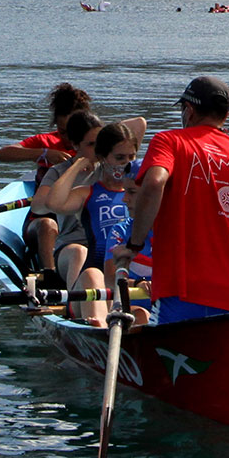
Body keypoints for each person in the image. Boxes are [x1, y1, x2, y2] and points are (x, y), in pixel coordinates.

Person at [108, 76, 229, 324]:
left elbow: (153, 183)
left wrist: (134, 245)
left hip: (181, 291)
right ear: (225, 115)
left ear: (189, 111)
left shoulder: (170, 142)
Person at [46, 118, 152, 326]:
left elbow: (140, 123)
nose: (126, 163)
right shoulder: (89, 193)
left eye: (131, 157)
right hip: (93, 285)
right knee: (94, 274)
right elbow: (54, 203)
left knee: (140, 313)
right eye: (119, 158)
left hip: (130, 285)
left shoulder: (143, 194)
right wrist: (79, 164)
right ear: (103, 158)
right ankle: (101, 330)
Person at [0, 83, 95, 277]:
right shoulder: (46, 142)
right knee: (48, 225)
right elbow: (1, 154)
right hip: (43, 219)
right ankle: (50, 274)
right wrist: (43, 153)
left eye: (72, 131)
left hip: (79, 221)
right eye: (62, 130)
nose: (66, 138)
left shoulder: (95, 146)